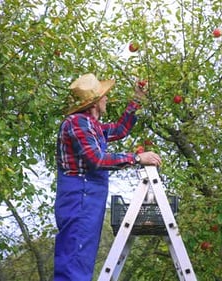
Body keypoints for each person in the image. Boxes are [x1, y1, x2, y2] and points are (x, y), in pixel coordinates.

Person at [54, 73, 162, 281]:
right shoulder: (77, 123)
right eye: (104, 96)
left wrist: (137, 100)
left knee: (80, 258)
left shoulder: (91, 125)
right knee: (74, 260)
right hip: (80, 197)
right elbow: (97, 159)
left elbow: (120, 129)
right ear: (94, 102)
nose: (107, 99)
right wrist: (138, 158)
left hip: (87, 199)